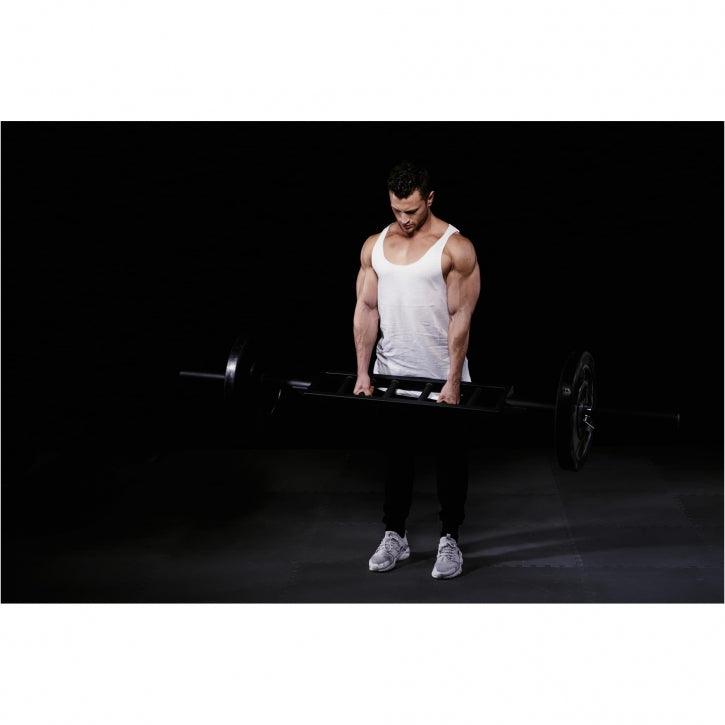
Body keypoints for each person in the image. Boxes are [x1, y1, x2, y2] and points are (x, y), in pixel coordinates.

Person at [353, 161, 481, 580]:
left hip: (442, 377)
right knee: (397, 462)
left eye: (411, 210)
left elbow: (461, 316)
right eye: (396, 210)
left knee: (450, 463)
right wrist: (363, 373)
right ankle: (395, 535)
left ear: (430, 199)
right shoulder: (375, 245)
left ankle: (450, 538)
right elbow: (366, 309)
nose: (404, 219)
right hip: (392, 375)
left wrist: (453, 380)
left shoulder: (455, 247)